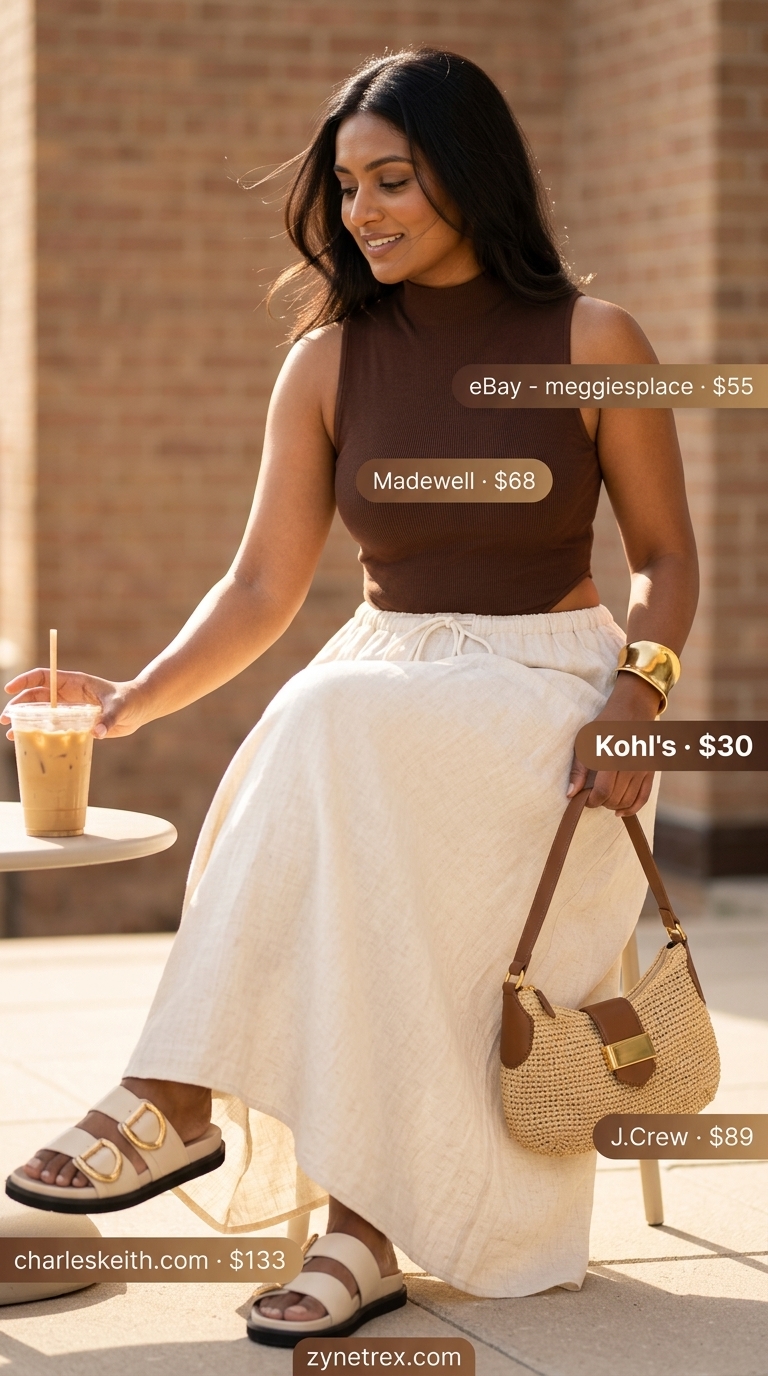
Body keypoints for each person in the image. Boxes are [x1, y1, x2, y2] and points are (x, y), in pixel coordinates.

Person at [3, 48, 697, 1345]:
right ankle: (361, 1233)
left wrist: (640, 702)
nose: (364, 211)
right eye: (349, 187)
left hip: (552, 705)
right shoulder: (324, 364)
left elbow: (667, 557)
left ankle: (175, 1096)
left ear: (472, 179)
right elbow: (264, 584)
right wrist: (131, 701)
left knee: (325, 726)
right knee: (342, 756)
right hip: (382, 700)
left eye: (394, 181)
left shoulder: (598, 343)